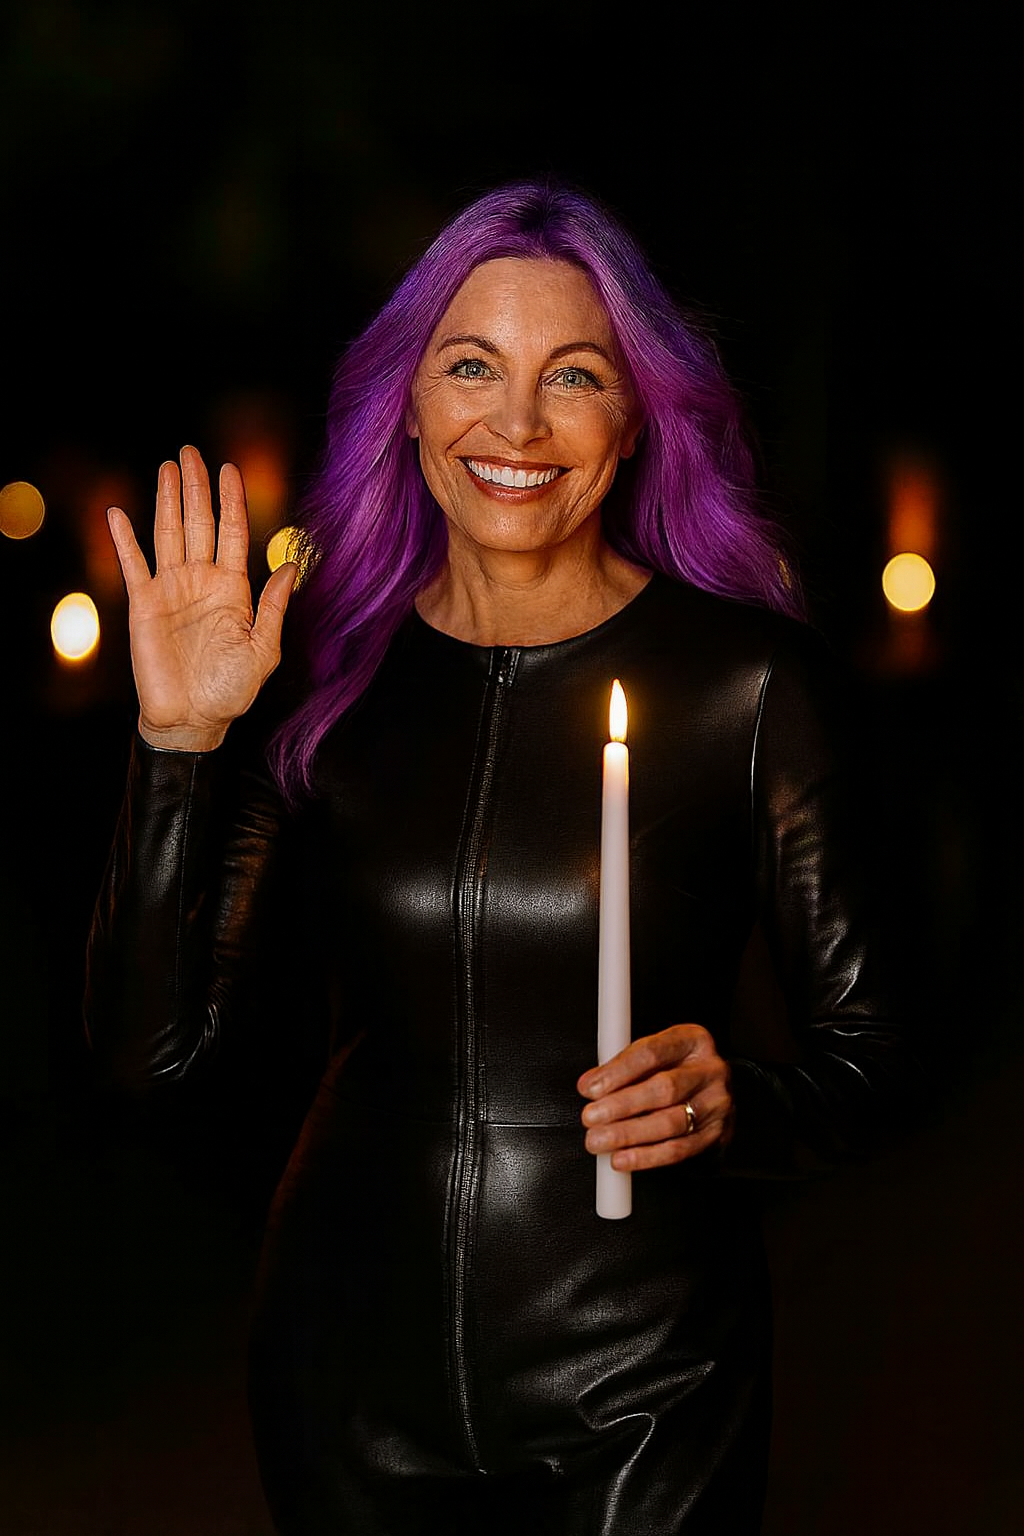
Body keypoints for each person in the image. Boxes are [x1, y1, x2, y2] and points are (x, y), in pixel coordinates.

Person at [85, 181, 911, 1535]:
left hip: (647, 1379)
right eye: (471, 367)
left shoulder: (751, 687)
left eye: (572, 376)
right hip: (347, 1367)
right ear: (404, 402)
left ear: (634, 417)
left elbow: (875, 1063)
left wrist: (732, 1104)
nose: (517, 426)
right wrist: (179, 744)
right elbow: (147, 1057)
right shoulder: (321, 681)